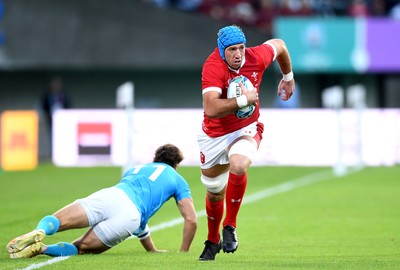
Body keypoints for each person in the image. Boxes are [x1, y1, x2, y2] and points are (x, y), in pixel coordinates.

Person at [197, 25, 295, 261]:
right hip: (214, 135)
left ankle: (229, 225)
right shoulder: (213, 66)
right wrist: (243, 100)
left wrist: (288, 77)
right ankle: (212, 241)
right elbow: (210, 108)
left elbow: (280, 45)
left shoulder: (255, 56)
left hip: (246, 128)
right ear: (222, 51)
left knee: (239, 164)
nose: (238, 54)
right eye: (232, 50)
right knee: (214, 193)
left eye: (241, 47)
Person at [6, 144, 197, 259]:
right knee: (81, 248)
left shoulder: (136, 169)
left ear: (155, 158)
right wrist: (183, 251)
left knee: (58, 220)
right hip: (131, 215)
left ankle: (39, 231)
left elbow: (142, 223)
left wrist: (152, 249)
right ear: (176, 165)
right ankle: (43, 249)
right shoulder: (177, 179)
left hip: (111, 195)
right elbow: (191, 220)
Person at [41, 76, 71, 156]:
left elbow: (68, 106)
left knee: (63, 136)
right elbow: (44, 106)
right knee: (52, 136)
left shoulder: (64, 95)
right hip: (51, 119)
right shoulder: (48, 95)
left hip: (63, 120)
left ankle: (63, 153)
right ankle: (53, 154)